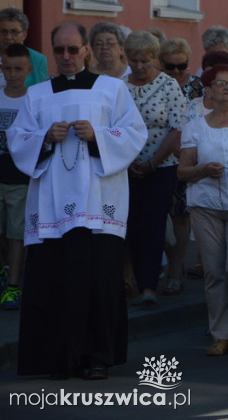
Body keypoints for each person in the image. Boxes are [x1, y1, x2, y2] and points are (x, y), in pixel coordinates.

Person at [8, 23, 147, 379]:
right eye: (59, 51)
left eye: (73, 50)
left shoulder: (113, 89)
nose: (66, 57)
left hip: (99, 201)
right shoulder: (37, 94)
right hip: (52, 204)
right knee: (54, 280)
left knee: (98, 281)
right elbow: (18, 139)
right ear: (51, 52)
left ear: (86, 50)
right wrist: (45, 137)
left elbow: (134, 133)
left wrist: (97, 134)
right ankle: (57, 359)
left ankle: (97, 357)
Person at [177, 62, 228, 356]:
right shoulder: (195, 126)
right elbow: (182, 172)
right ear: (207, 90)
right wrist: (202, 170)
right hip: (206, 207)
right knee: (214, 272)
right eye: (221, 83)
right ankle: (221, 334)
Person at [123, 31, 189, 306]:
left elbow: (177, 128)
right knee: (128, 225)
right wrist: (128, 162)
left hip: (161, 168)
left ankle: (148, 286)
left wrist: (151, 164)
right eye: (133, 60)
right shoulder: (119, 86)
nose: (138, 66)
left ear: (155, 60)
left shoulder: (168, 86)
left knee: (151, 224)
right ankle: (129, 280)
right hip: (125, 167)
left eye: (145, 61)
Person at [160, 37, 203, 293]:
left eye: (182, 66)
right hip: (156, 159)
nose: (176, 72)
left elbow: (201, 123)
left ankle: (175, 273)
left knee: (180, 218)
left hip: (185, 159)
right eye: (170, 66)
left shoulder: (197, 87)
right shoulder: (156, 84)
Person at [0, 44, 32, 309]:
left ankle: (12, 286)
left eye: (18, 69)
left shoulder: (33, 100)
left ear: (29, 70)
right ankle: (4, 271)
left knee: (16, 234)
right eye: (7, 68)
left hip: (19, 178)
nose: (12, 74)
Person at [0, 8, 49, 87]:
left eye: (14, 32)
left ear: (24, 35)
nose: (8, 37)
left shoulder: (38, 60)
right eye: (4, 32)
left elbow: (42, 92)